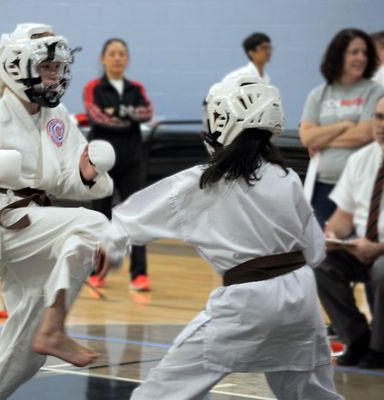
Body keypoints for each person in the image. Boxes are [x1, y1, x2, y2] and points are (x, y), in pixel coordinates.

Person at [96, 76, 342, 399]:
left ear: (222, 120)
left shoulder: (202, 182)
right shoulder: (286, 177)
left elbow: (130, 219)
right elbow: (316, 251)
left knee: (158, 395)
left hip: (247, 303)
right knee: (311, 394)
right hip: (301, 299)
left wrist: (107, 248)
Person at [0, 23, 116, 400]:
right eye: (49, 67)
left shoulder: (58, 117)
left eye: (60, 68)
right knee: (95, 226)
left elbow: (64, 182)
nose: (57, 75)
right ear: (18, 67)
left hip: (43, 223)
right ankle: (56, 328)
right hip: (7, 220)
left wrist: (86, 173)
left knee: (27, 354)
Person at [314, 96, 384, 370]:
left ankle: (380, 349)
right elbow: (343, 217)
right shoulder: (361, 159)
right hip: (364, 248)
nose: (381, 125)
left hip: (380, 253)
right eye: (378, 117)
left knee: (382, 268)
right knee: (321, 260)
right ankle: (356, 338)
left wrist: (378, 249)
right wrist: (330, 237)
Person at [83, 38, 153, 291]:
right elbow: (98, 117)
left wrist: (118, 112)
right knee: (100, 217)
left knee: (137, 217)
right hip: (102, 166)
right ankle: (96, 271)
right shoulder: (93, 87)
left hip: (132, 162)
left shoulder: (137, 88)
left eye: (122, 53)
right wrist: (127, 116)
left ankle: (139, 275)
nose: (117, 58)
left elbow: (147, 113)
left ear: (128, 59)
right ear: (103, 58)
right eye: (112, 53)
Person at [300, 28, 384, 229]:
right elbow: (306, 137)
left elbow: (364, 134)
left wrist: (323, 139)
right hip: (323, 186)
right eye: (354, 52)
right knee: (325, 247)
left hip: (361, 188)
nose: (361, 58)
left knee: (357, 248)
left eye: (365, 53)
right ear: (338, 55)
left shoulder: (375, 91)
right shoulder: (319, 94)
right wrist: (343, 125)